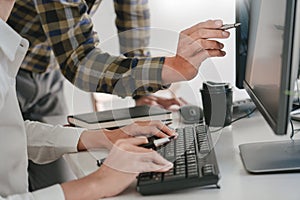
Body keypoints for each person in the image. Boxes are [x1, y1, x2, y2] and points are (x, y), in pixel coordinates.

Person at [0, 2, 175, 198]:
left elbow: (12, 134)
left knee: (56, 178)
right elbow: (79, 60)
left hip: (42, 68)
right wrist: (97, 183)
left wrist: (100, 137)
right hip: (11, 62)